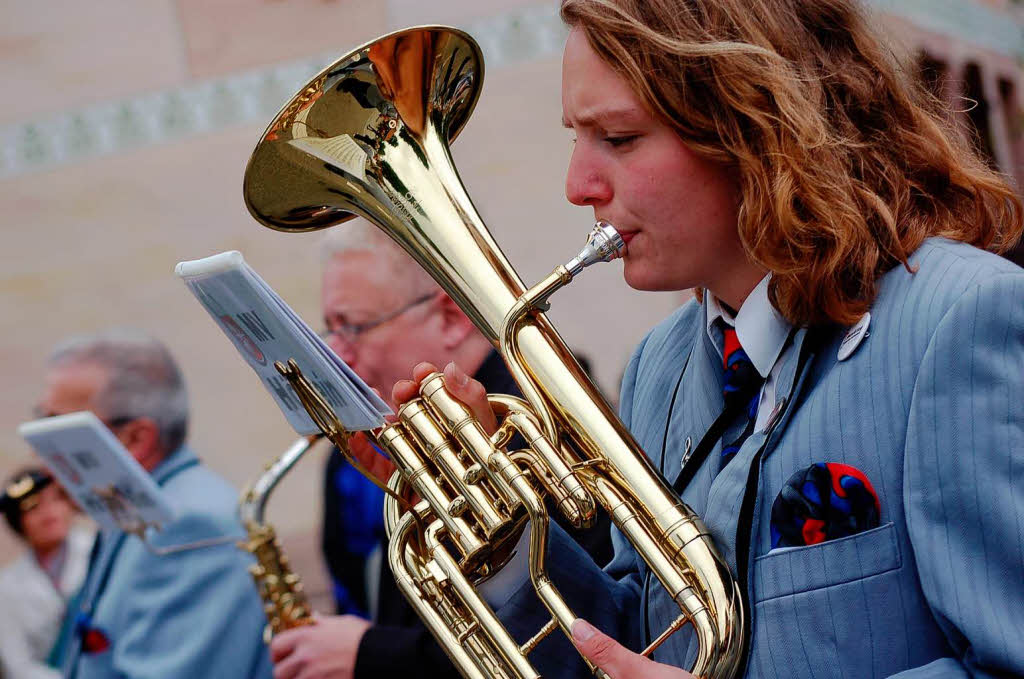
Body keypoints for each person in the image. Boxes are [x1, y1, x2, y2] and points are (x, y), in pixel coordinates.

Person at [374, 0, 1024, 677]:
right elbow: (653, 640)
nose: (577, 186)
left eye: (619, 138)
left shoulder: (961, 319)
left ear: (750, 126)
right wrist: (503, 540)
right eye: (577, 136)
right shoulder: (660, 366)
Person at [269, 224, 613, 679]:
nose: (336, 355)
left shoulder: (544, 424)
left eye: (352, 327)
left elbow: (575, 633)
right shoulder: (379, 445)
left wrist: (370, 655)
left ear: (450, 318)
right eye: (329, 330)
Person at [33, 329, 273, 679]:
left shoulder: (187, 528)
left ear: (135, 439)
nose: (43, 460)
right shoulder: (144, 510)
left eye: (59, 430)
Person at [0, 467, 94, 679]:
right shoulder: (6, 587)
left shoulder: (98, 551)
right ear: (18, 521)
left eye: (56, 499)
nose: (48, 511)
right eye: (33, 506)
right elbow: (18, 666)